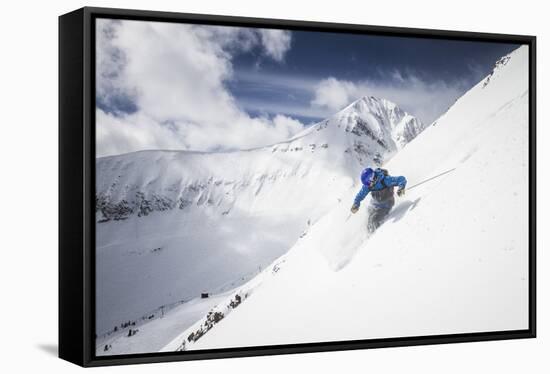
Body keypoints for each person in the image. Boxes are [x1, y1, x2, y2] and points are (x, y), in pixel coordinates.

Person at [350, 167, 407, 233]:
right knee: (368, 215)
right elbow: (360, 195)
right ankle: (367, 234)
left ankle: (376, 235)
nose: (368, 184)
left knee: (374, 220)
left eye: (368, 181)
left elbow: (401, 179)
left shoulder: (384, 180)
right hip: (376, 204)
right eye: (366, 183)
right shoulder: (369, 185)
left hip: (386, 204)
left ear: (372, 177)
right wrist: (356, 203)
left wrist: (401, 187)